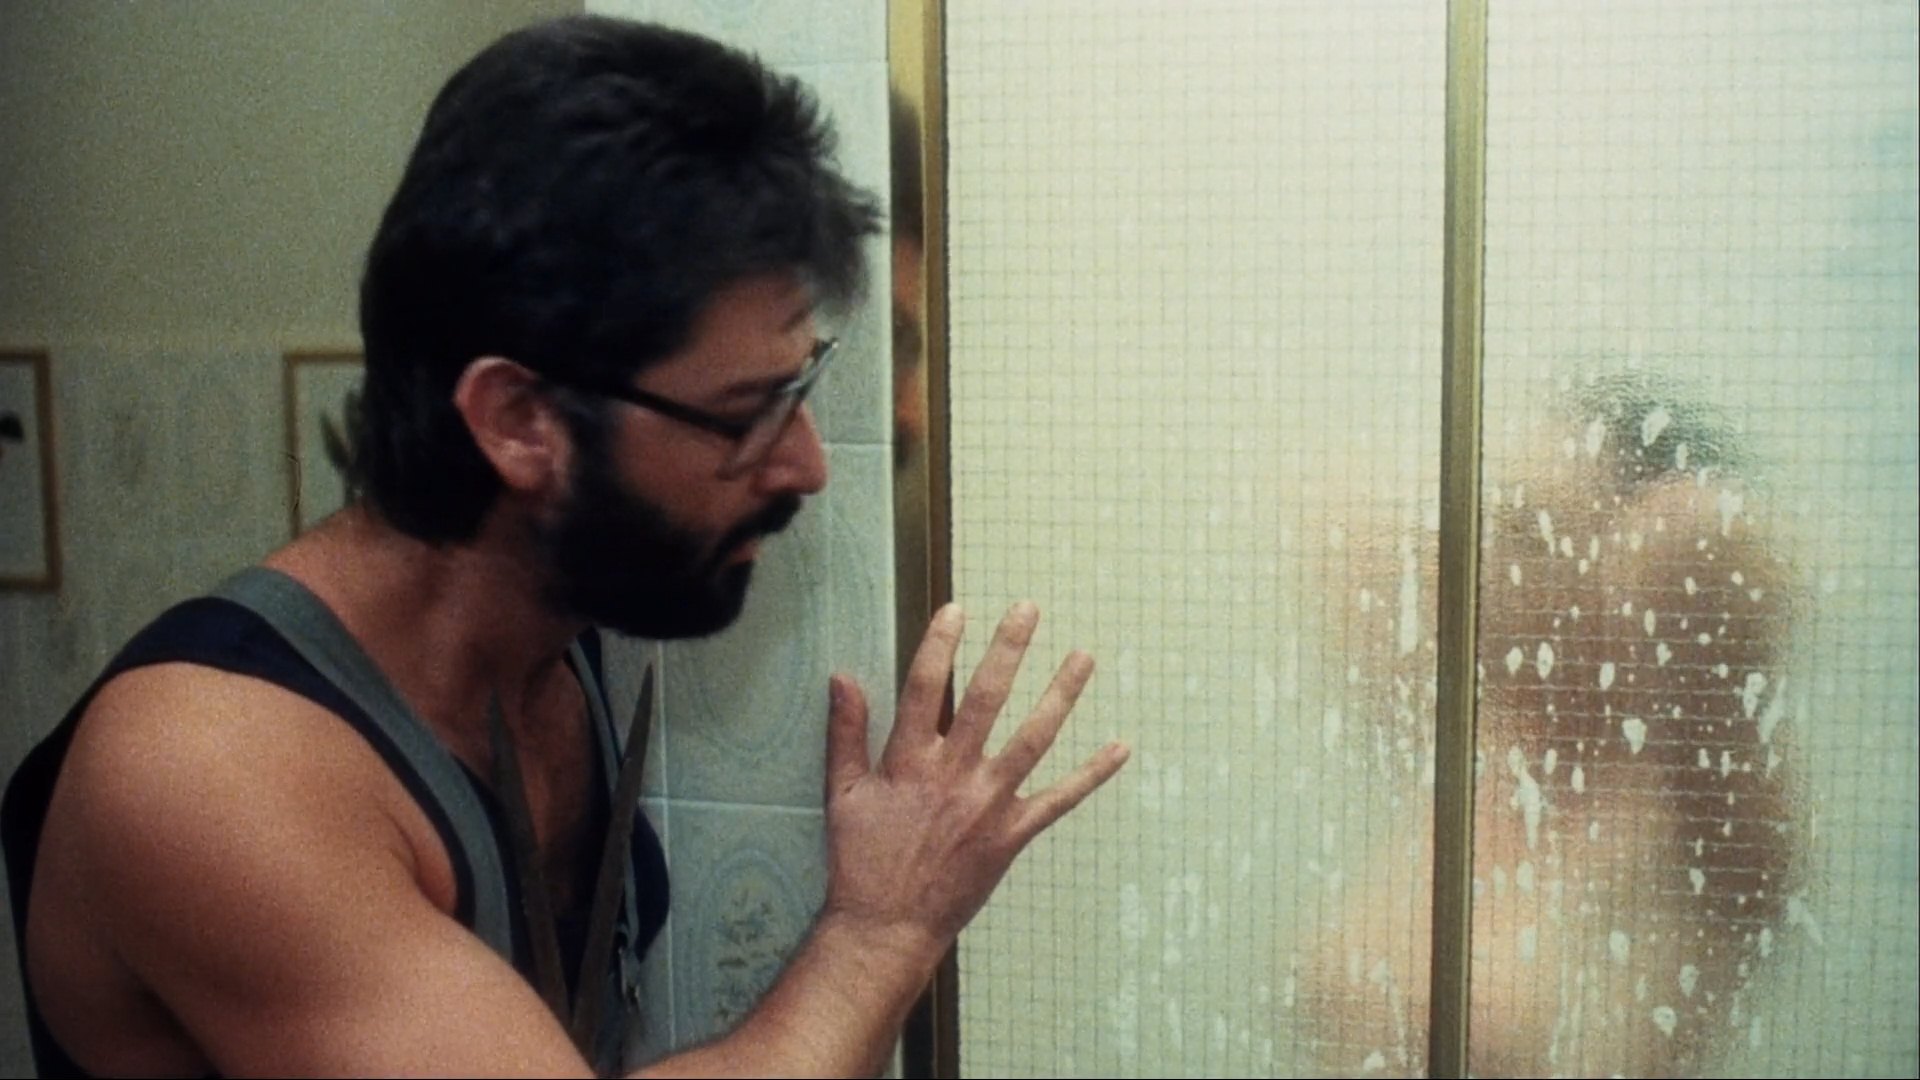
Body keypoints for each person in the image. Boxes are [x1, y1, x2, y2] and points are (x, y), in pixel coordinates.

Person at [1, 15, 1128, 1078]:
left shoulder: (564, 620)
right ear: (519, 422)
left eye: (800, 389)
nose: (805, 465)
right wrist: (882, 929)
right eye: (744, 414)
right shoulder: (205, 770)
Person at [1301, 369, 1806, 1077]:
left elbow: (1704, 536)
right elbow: (1333, 512)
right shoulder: (1489, 752)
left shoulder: (1698, 813)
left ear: (1638, 569)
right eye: (1489, 523)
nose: (1483, 563)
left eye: (1527, 535)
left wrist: (1674, 590)